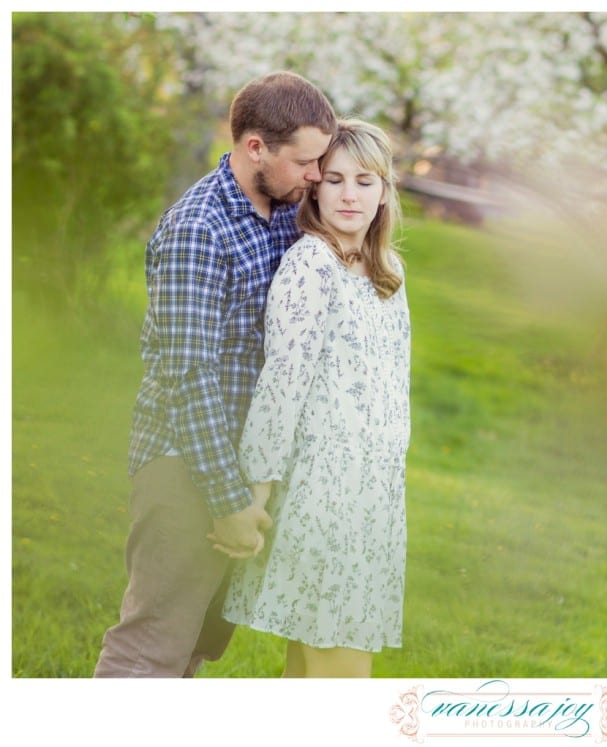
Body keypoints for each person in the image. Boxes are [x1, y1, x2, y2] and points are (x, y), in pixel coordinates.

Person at [94, 71, 337, 678]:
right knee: (150, 648)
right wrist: (227, 501)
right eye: (306, 162)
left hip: (243, 469)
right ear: (255, 147)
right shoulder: (198, 230)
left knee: (193, 646)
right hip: (187, 467)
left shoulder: (283, 211)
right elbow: (187, 376)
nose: (315, 176)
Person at [218, 118, 410, 678]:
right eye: (336, 179)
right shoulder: (311, 266)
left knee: (311, 674)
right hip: (320, 496)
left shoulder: (388, 271)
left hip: (372, 498)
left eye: (366, 181)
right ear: (316, 187)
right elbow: (281, 386)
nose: (350, 194)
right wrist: (257, 493)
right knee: (340, 671)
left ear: (384, 191)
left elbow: (393, 390)